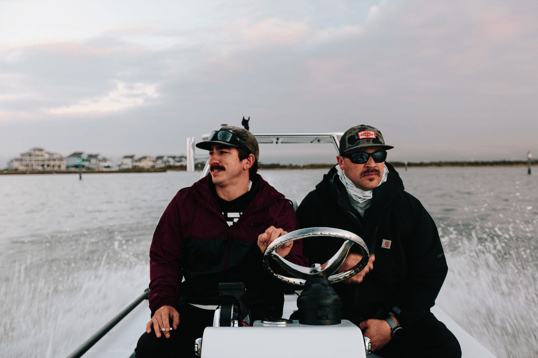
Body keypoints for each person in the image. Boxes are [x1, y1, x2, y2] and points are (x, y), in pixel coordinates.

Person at [135, 125, 307, 358]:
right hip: (196, 308)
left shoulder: (277, 209)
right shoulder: (185, 202)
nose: (213, 160)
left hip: (258, 313)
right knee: (150, 349)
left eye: (223, 152)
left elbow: (298, 270)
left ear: (248, 161)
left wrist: (280, 256)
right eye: (211, 153)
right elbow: (165, 258)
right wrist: (164, 303)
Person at [295, 124, 461, 358]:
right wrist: (331, 269)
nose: (371, 163)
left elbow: (430, 273)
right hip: (330, 314)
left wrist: (392, 324)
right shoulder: (314, 206)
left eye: (378, 155)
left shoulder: (409, 209)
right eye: (360, 156)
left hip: (393, 315)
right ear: (340, 162)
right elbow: (297, 267)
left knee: (445, 348)